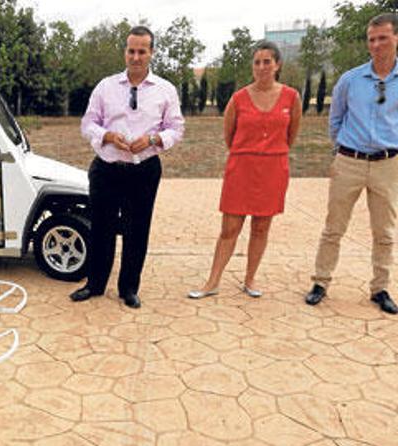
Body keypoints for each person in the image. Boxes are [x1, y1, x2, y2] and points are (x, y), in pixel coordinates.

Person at [71, 25, 185, 308]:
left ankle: (129, 288)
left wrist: (154, 139)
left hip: (144, 171)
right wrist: (107, 136)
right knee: (101, 228)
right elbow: (88, 123)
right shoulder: (106, 87)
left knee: (137, 230)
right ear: (125, 52)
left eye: (142, 51)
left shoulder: (165, 90)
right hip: (107, 169)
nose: (136, 57)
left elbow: (176, 128)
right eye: (131, 51)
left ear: (151, 53)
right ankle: (95, 284)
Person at [188, 41, 302, 300]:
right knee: (229, 228)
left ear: (277, 65)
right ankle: (212, 281)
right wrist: (247, 152)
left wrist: (271, 152)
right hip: (241, 168)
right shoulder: (239, 98)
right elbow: (229, 135)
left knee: (261, 228)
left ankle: (250, 279)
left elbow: (291, 135)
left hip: (274, 168)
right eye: (257, 62)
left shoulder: (291, 97)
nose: (261, 67)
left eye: (267, 62)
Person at [305, 13, 398, 314]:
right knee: (334, 227)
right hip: (350, 161)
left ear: (396, 38)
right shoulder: (350, 79)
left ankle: (380, 288)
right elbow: (336, 119)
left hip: (388, 164)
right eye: (371, 39)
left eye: (382, 38)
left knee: (384, 231)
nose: (376, 44)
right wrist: (339, 153)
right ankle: (320, 282)